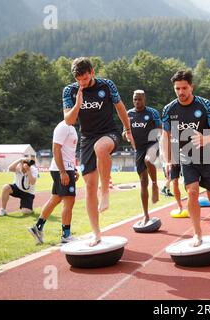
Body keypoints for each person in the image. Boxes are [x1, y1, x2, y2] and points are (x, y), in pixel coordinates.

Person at [63, 57, 134, 246]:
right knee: (88, 188)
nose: (83, 83)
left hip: (109, 133)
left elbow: (120, 108)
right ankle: (96, 234)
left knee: (101, 148)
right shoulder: (70, 91)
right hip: (86, 139)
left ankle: (106, 192)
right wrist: (78, 104)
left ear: (92, 72)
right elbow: (69, 121)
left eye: (85, 79)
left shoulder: (107, 85)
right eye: (79, 80)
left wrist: (128, 129)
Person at [161, 70, 210, 247]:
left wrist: (205, 138)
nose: (181, 92)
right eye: (177, 88)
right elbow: (165, 135)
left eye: (184, 88)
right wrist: (167, 159)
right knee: (192, 192)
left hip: (209, 157)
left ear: (191, 87)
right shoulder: (169, 109)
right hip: (187, 157)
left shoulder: (205, 105)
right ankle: (197, 233)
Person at [28, 120, 79, 244]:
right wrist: (63, 172)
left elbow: (68, 151)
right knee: (69, 200)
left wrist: (73, 168)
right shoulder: (62, 126)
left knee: (55, 199)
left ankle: (37, 227)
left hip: (67, 168)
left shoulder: (72, 127)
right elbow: (56, 149)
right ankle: (66, 236)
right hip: (62, 169)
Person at [126, 90, 161, 225]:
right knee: (142, 183)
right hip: (139, 149)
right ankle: (146, 215)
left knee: (148, 160)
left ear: (144, 99)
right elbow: (125, 131)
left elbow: (160, 129)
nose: (137, 102)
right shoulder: (129, 114)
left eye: (139, 99)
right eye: (135, 99)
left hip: (152, 144)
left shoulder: (152, 112)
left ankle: (155, 185)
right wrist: (126, 136)